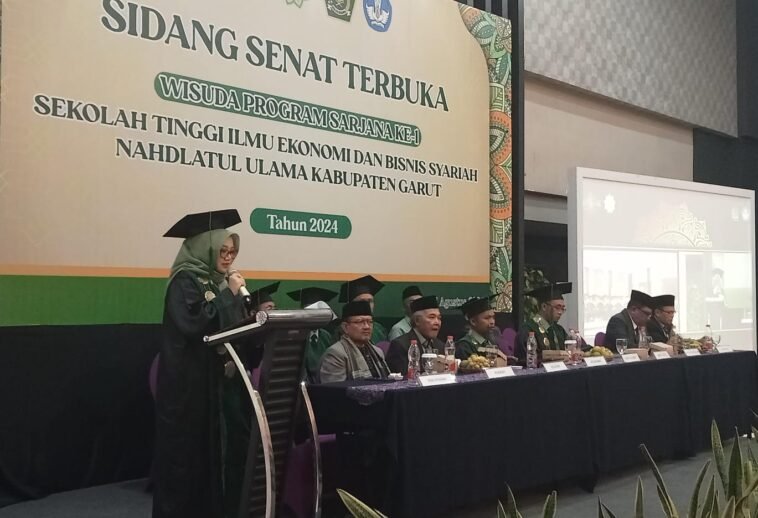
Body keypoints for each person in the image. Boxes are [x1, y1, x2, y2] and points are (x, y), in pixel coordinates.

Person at [153, 209, 250, 518]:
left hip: (213, 386)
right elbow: (196, 324)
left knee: (212, 459)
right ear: (204, 248)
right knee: (186, 462)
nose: (228, 258)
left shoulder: (217, 282)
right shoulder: (184, 281)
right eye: (222, 251)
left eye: (232, 252)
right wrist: (228, 295)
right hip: (187, 390)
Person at [318, 300, 390, 383]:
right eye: (360, 322)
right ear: (345, 327)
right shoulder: (336, 354)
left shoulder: (378, 352)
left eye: (370, 322)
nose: (367, 327)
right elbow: (334, 389)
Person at [288, 286, 339, 382]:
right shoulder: (295, 337)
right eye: (309, 311)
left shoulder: (326, 336)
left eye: (317, 312)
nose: (314, 316)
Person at [515, 282, 573, 365]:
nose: (560, 312)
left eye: (563, 309)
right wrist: (553, 355)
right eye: (557, 307)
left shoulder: (559, 330)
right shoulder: (528, 329)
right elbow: (524, 358)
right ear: (544, 307)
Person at [385, 295, 444, 375]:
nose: (437, 322)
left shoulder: (440, 345)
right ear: (417, 321)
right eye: (432, 317)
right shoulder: (400, 346)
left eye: (439, 318)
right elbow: (403, 379)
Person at [337, 275, 388, 343]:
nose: (367, 305)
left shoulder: (380, 329)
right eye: (362, 301)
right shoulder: (343, 330)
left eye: (370, 301)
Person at [455, 296, 497, 360]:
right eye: (487, 318)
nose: (492, 322)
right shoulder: (464, 346)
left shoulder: (490, 342)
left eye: (493, 317)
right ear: (473, 321)